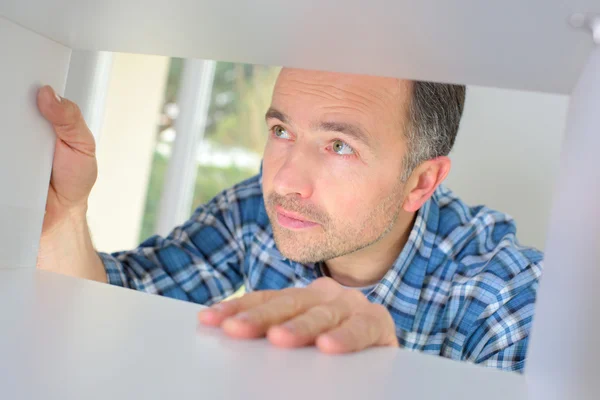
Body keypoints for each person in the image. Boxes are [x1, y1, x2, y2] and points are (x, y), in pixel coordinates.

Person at [36, 68, 542, 373]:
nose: (284, 181)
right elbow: (114, 302)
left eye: (339, 145)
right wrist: (65, 214)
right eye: (281, 130)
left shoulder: (507, 299)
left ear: (421, 183)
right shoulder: (258, 212)